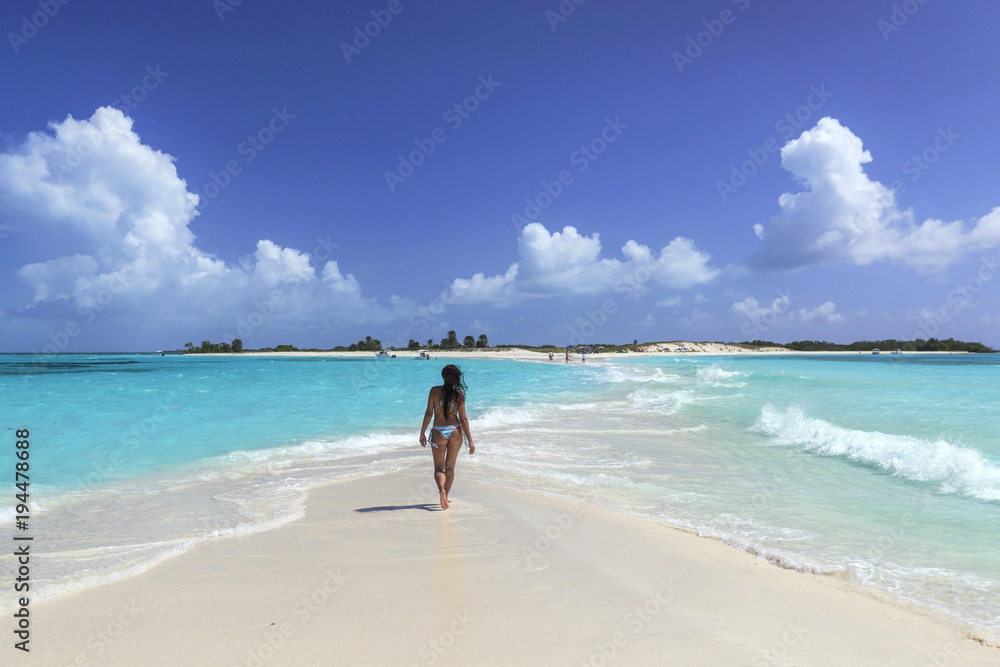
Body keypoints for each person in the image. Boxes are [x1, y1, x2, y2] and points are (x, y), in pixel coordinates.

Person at [419, 364, 475, 509]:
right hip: (455, 431)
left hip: (438, 431)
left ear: (443, 376)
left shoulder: (434, 391)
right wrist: (470, 440)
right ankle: (447, 497)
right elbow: (463, 419)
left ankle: (441, 490)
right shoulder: (459, 395)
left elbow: (428, 413)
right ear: (457, 378)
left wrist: (422, 432)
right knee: (450, 467)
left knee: (439, 468)